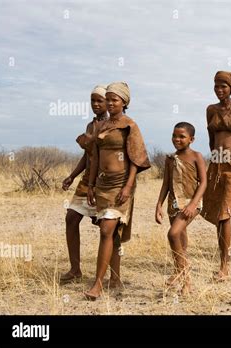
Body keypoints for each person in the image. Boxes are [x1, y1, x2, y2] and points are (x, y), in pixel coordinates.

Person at [85, 82, 151, 300]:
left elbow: (135, 158)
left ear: (125, 102)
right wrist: (91, 185)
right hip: (102, 185)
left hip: (121, 185)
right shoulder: (101, 127)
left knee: (106, 230)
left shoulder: (129, 125)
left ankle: (97, 284)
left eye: (115, 100)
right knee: (110, 234)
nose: (111, 103)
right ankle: (115, 277)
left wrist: (128, 185)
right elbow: (94, 159)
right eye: (108, 99)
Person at [201, 71, 231, 281]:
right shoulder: (210, 109)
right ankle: (223, 260)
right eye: (216, 86)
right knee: (217, 213)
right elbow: (212, 140)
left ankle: (224, 266)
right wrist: (216, 157)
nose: (219, 90)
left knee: (225, 213)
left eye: (223, 86)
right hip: (216, 163)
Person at [60, 85, 108, 283]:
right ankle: (75, 269)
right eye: (93, 101)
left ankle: (110, 274)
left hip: (104, 180)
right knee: (71, 218)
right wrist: (72, 176)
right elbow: (87, 155)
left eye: (100, 101)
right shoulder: (90, 126)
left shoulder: (112, 125)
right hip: (87, 179)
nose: (96, 104)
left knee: (107, 226)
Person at [155, 122, 207, 294]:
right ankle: (184, 279)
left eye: (182, 136)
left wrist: (193, 204)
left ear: (191, 139)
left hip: (191, 204)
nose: (177, 139)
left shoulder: (196, 156)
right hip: (174, 203)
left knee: (173, 233)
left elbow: (204, 182)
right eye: (174, 136)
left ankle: (184, 276)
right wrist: (159, 204)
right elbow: (166, 184)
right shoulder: (170, 159)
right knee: (181, 242)